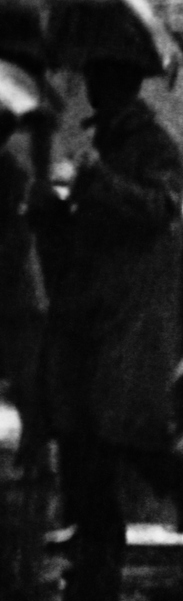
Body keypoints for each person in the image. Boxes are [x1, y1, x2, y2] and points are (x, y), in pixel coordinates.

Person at [37, 59, 183, 553]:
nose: (88, 84)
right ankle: (90, 522)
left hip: (128, 307)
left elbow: (158, 210)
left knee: (114, 425)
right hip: (89, 300)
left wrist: (97, 181)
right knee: (77, 417)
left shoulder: (155, 143)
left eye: (98, 76)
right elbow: (94, 222)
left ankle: (115, 522)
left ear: (120, 82)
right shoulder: (108, 138)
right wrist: (56, 215)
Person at [0, 105, 51, 484]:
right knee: (24, 379)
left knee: (25, 379)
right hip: (17, 296)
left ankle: (36, 451)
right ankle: (35, 451)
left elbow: (14, 242)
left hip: (15, 296)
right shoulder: (13, 170)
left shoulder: (11, 172)